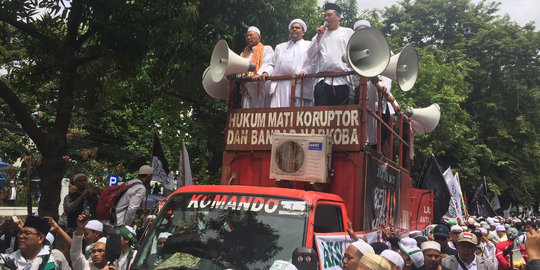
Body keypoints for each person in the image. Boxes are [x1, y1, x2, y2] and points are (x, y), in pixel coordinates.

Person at [307, 3, 354, 106]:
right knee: (321, 116)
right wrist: (318, 38)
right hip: (323, 80)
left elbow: (354, 52)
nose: (326, 18)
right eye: (324, 16)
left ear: (338, 16)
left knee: (340, 117)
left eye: (329, 15)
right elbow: (310, 55)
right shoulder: (320, 34)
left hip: (342, 80)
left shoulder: (347, 32)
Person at [260, 19, 314, 107]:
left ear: (303, 32)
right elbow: (272, 64)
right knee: (279, 114)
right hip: (280, 85)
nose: (294, 29)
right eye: (292, 28)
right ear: (289, 32)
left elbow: (314, 64)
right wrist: (266, 72)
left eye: (297, 28)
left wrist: (305, 71)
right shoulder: (280, 47)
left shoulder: (309, 45)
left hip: (299, 82)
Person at [2, 216, 71, 269]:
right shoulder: (8, 261)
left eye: (27, 233)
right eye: (20, 233)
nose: (21, 236)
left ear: (40, 238)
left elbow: (72, 247)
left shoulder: (55, 257)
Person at [239, 26, 274, 108]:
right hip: (248, 88)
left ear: (259, 37)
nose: (248, 38)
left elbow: (268, 63)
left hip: (261, 86)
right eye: (247, 36)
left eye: (251, 35)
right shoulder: (243, 54)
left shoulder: (267, 49)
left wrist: (258, 74)